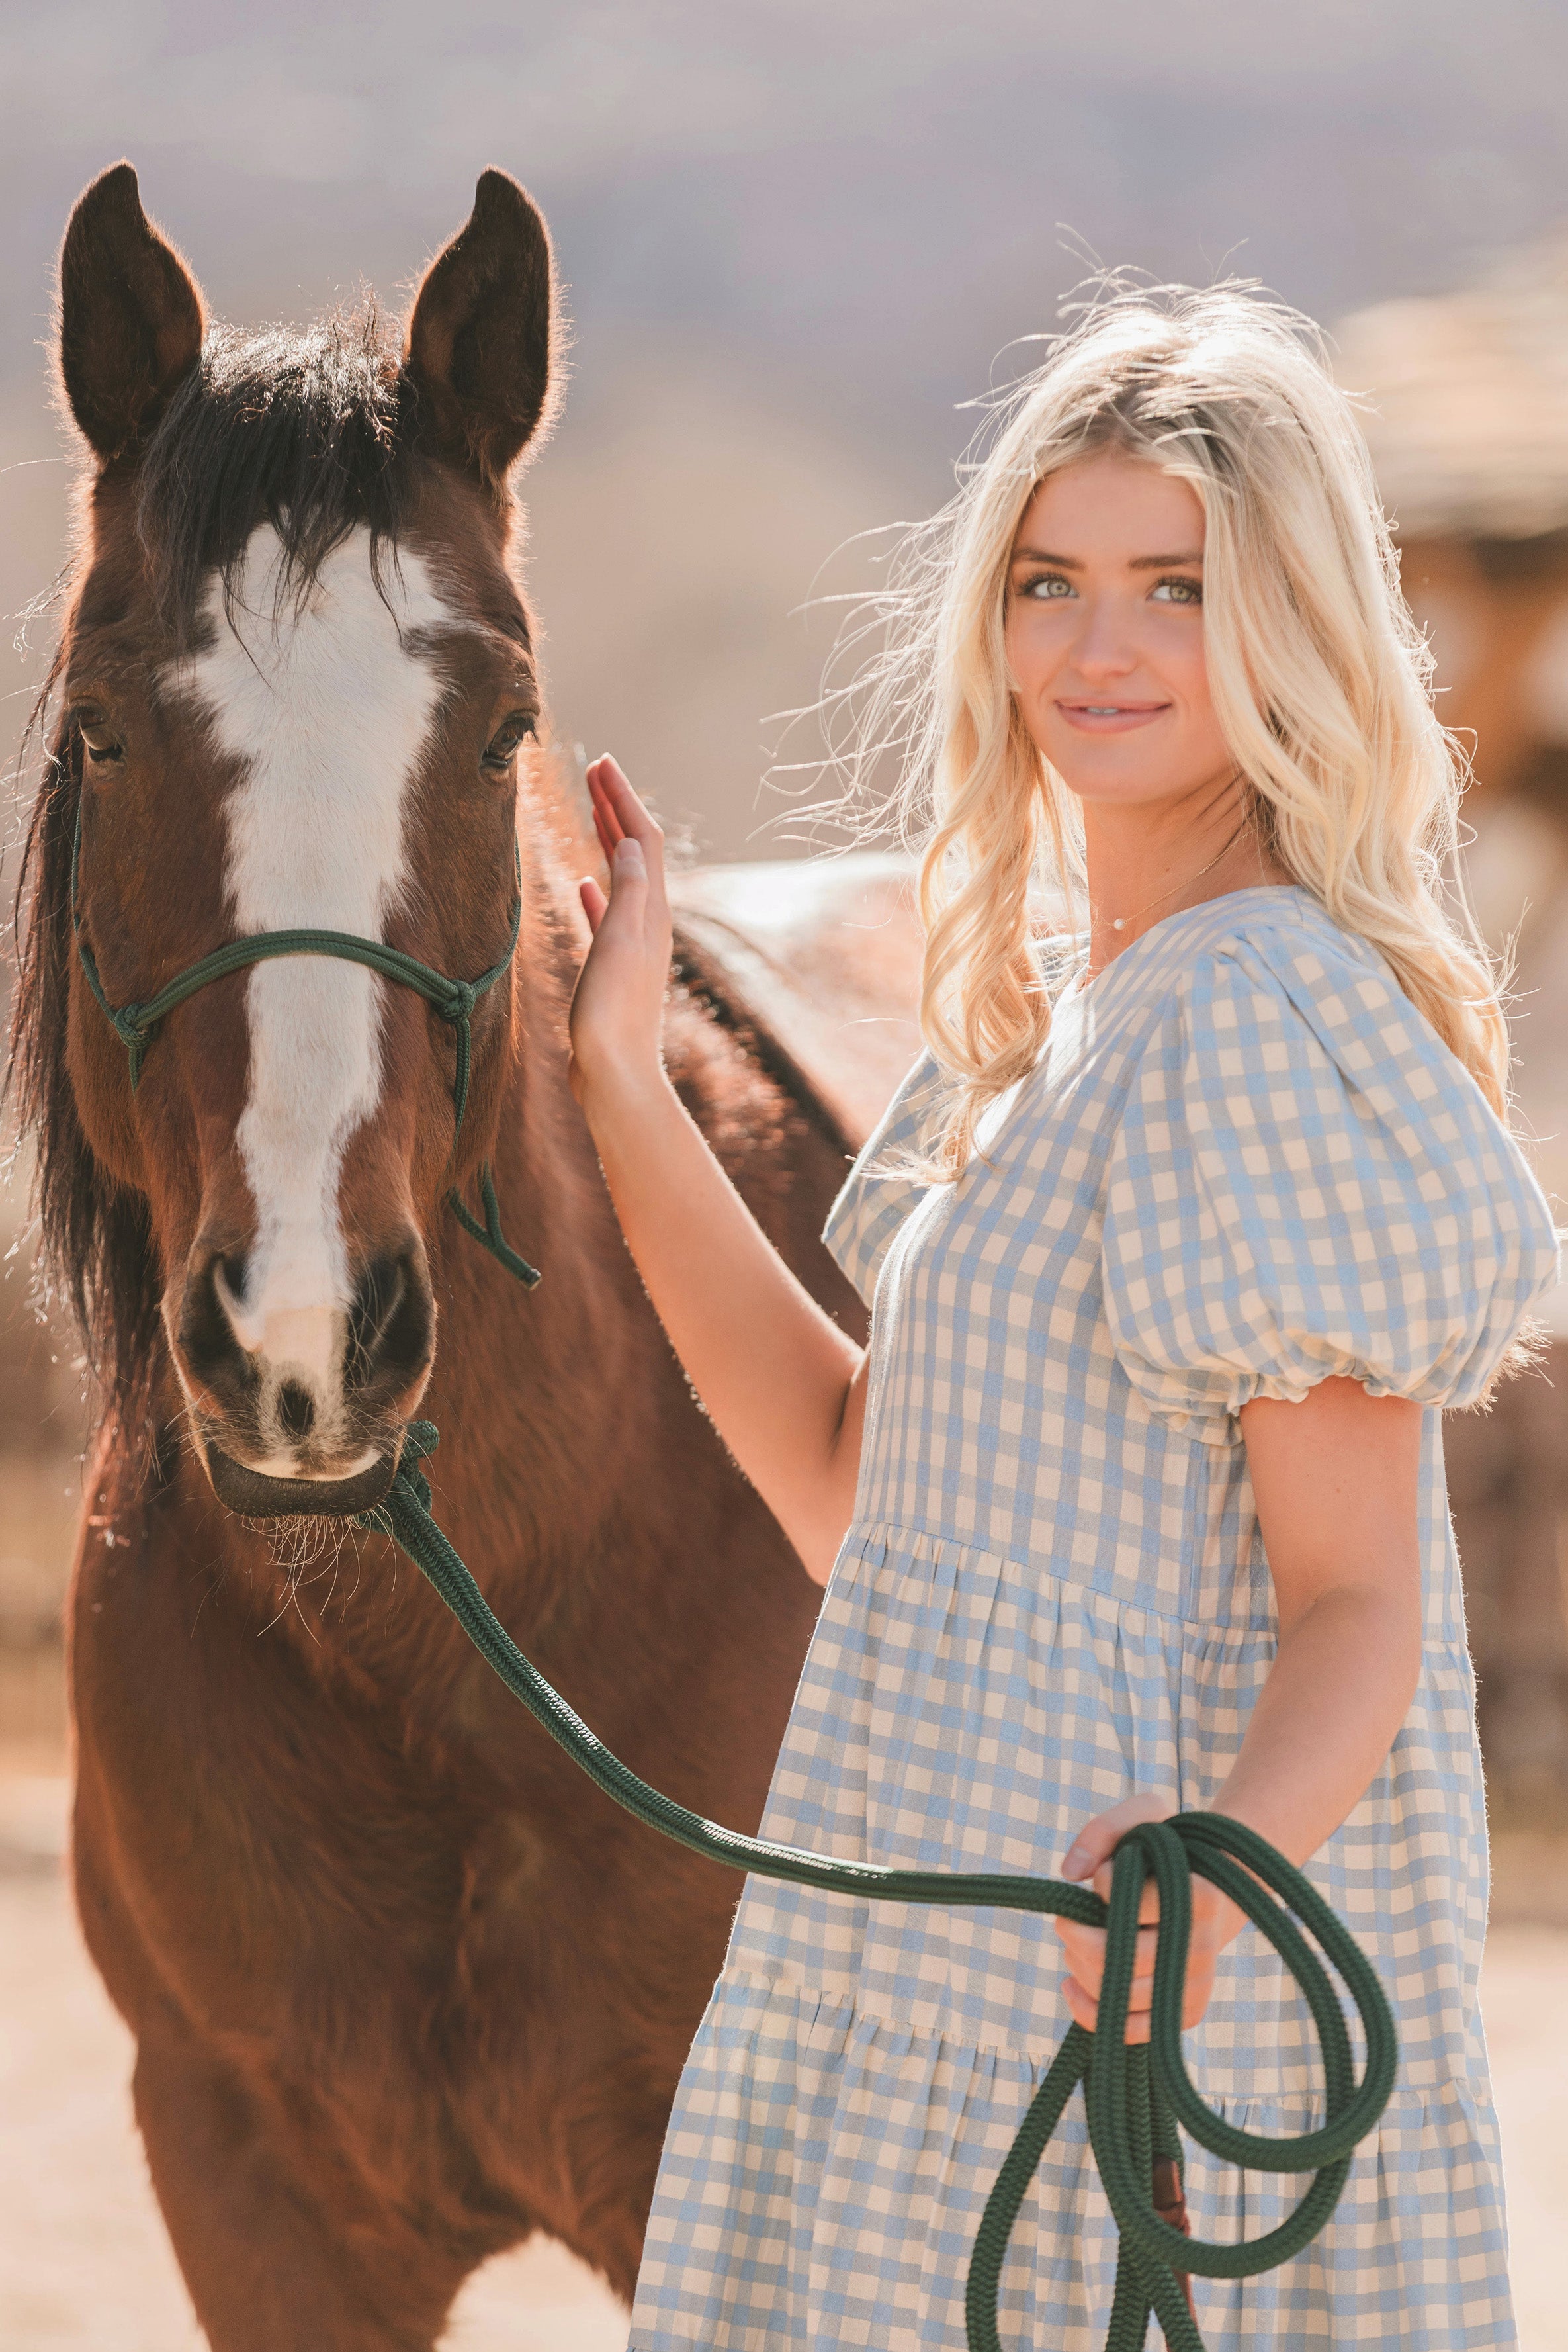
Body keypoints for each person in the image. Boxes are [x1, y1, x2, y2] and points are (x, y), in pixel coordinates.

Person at [566, 287, 1557, 2351]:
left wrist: (1214, 1867)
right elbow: (863, 1499)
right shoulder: (1047, 1017)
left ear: (1285, 623)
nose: (1095, 647)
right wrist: (615, 1079)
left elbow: (1359, 1598)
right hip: (922, 1963)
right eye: (1049, 582)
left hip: (1130, 2010)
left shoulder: (1257, 1013)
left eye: (1173, 590)